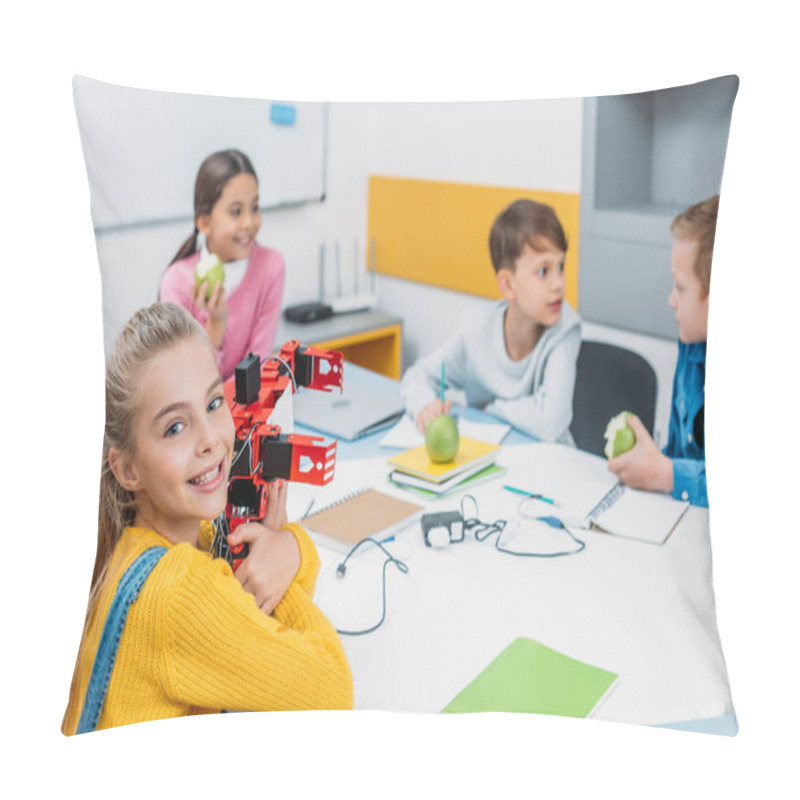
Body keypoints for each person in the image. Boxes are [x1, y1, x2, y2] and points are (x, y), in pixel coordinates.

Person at [62, 302, 352, 735]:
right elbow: (332, 693)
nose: (211, 440)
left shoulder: (138, 543)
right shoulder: (182, 593)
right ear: (127, 469)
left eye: (215, 403)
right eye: (175, 428)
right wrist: (286, 558)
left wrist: (276, 552)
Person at [401, 199, 581, 443]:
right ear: (507, 285)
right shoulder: (478, 329)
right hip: (491, 459)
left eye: (561, 266)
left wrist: (492, 409)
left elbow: (551, 420)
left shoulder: (565, 329)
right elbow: (418, 376)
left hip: (550, 468)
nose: (559, 283)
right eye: (543, 271)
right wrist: (424, 406)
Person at [608, 195, 719, 508]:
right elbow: (677, 451)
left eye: (681, 288)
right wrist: (651, 461)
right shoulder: (690, 342)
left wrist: (666, 475)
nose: (671, 299)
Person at [160, 150, 285, 381]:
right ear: (204, 222)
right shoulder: (177, 281)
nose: (249, 222)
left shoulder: (271, 266)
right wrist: (216, 322)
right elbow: (191, 382)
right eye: (236, 212)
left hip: (247, 410)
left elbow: (256, 368)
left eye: (255, 208)